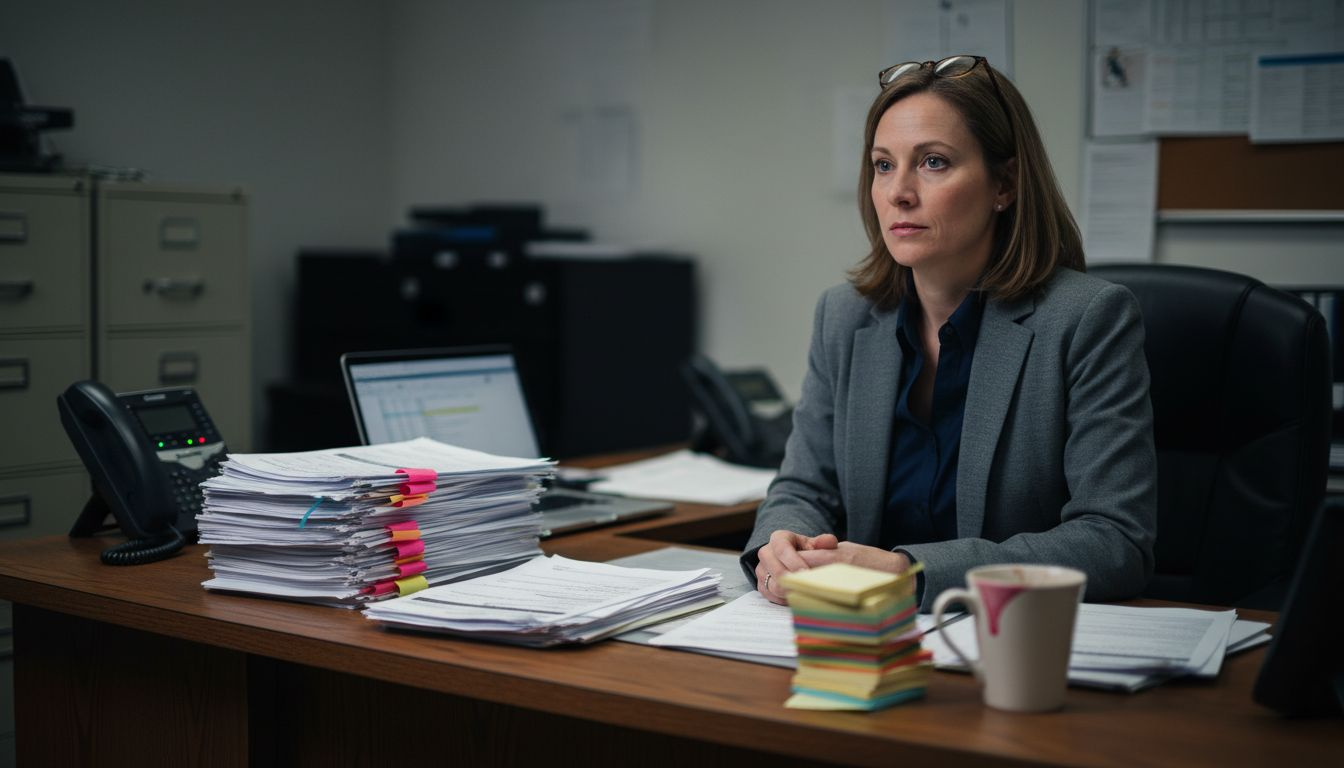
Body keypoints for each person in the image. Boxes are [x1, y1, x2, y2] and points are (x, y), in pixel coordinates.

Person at [741, 56, 1157, 610]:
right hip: (856, 637)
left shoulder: (1087, 320)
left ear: (1003, 184)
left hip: (1007, 644)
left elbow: (1115, 542)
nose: (898, 193)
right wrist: (781, 545)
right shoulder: (845, 316)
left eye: (933, 162)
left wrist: (911, 573)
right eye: (883, 166)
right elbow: (802, 488)